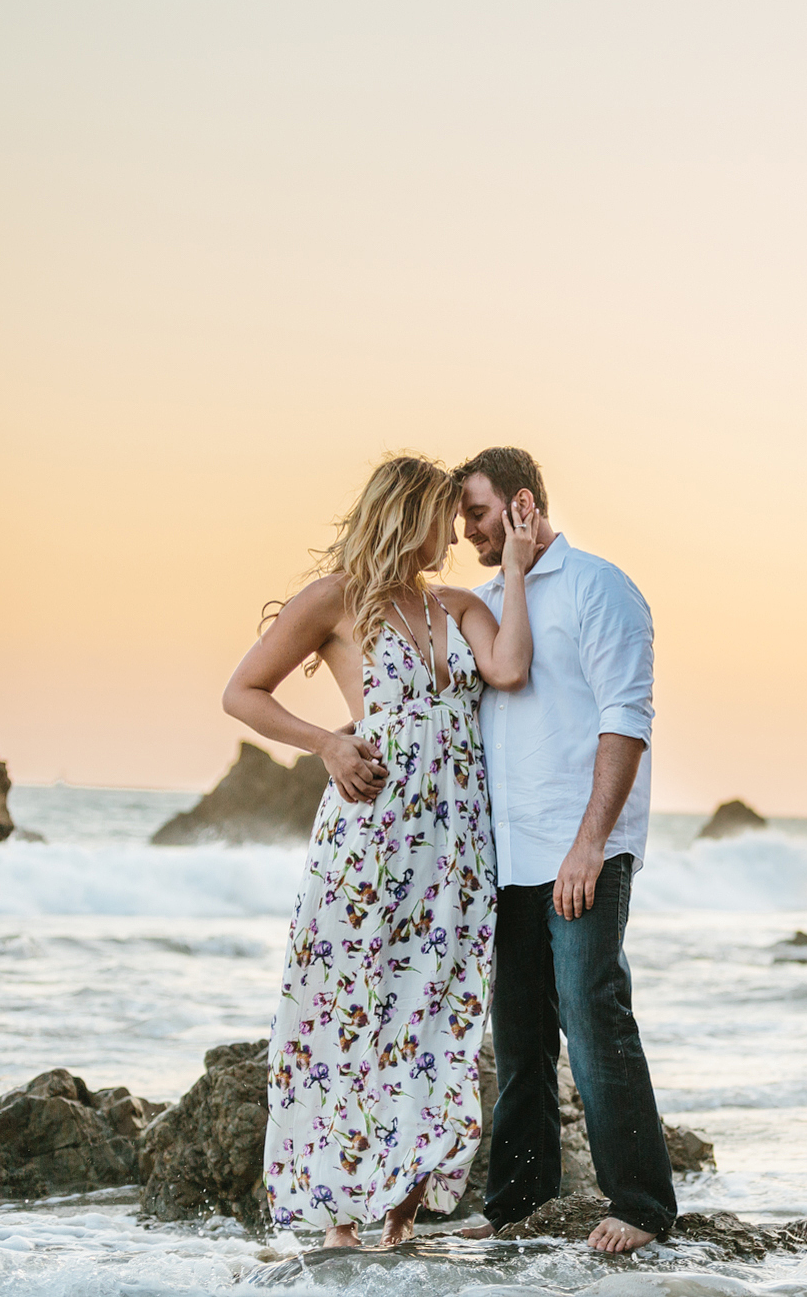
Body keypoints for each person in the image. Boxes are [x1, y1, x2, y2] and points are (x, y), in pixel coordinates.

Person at [223, 454, 538, 1248]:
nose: (457, 533)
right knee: (348, 1007)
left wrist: (523, 574)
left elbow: (509, 667)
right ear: (409, 514)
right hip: (369, 840)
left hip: (458, 848)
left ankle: (398, 1211)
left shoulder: (460, 605)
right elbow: (243, 692)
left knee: (435, 1016)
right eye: (446, 515)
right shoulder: (335, 601)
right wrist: (326, 742)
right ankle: (335, 1219)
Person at [449, 446, 677, 1254]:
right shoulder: (485, 602)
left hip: (584, 851)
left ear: (522, 505)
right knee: (517, 1038)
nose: (464, 530)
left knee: (593, 1013)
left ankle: (644, 1205)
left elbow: (627, 719)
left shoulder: (600, 588)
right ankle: (518, 1205)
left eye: (475, 513)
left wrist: (589, 845)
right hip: (507, 861)